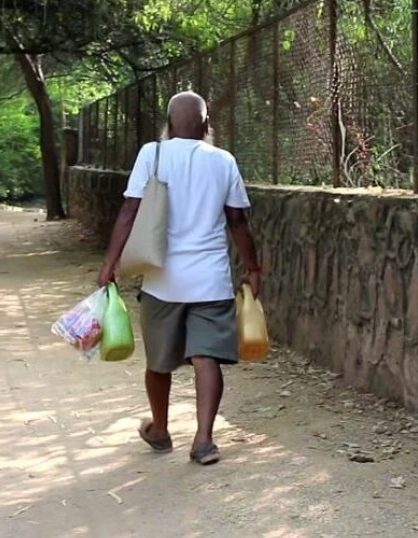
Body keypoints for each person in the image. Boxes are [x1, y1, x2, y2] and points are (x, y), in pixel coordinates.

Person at [97, 91, 262, 466]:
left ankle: (160, 429)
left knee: (159, 360)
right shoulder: (223, 160)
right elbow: (238, 221)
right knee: (207, 358)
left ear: (169, 124)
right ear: (206, 125)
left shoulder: (151, 154)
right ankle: (204, 441)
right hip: (211, 280)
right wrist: (254, 268)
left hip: (161, 280)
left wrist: (110, 263)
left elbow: (129, 210)